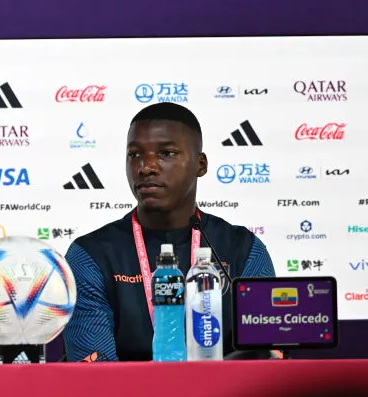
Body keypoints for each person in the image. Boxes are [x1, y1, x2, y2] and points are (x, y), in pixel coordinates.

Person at [63, 102, 276, 362]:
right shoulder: (90, 255)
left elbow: (264, 362)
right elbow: (95, 375)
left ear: (201, 165)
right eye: (134, 154)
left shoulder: (244, 249)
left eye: (166, 153)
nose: (146, 167)